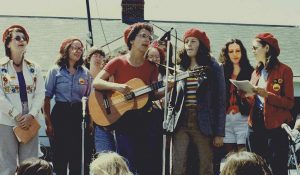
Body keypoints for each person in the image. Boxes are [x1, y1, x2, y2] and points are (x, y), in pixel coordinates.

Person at [93, 22, 171, 175]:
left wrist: (169, 87)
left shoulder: (152, 67)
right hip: (123, 119)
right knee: (126, 162)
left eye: (149, 37)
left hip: (144, 119)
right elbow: (97, 82)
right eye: (143, 36)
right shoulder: (118, 61)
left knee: (145, 164)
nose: (147, 40)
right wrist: (118, 87)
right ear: (131, 40)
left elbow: (153, 94)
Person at [164, 28, 226, 175]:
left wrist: (219, 133)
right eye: (186, 42)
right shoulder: (180, 67)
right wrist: (169, 121)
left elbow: (221, 101)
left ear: (201, 44)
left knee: (206, 165)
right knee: (178, 164)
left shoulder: (214, 67)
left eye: (193, 41)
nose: (189, 45)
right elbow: (173, 99)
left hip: (204, 122)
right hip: (180, 121)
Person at [246, 33, 294, 175]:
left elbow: (289, 103)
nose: (253, 51)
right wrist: (245, 94)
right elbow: (253, 100)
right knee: (254, 167)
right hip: (254, 125)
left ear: (266, 48)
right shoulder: (256, 72)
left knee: (277, 168)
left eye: (255, 48)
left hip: (276, 128)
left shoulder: (285, 70)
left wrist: (267, 95)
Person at [0, 25, 45, 175]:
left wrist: (31, 114)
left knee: (30, 163)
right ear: (8, 43)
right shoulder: (0, 68)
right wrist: (16, 115)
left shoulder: (34, 67)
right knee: (7, 164)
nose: (22, 40)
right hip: (6, 119)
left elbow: (40, 93)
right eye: (17, 37)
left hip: (30, 119)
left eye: (24, 38)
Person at [44, 37, 91, 175]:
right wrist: (48, 123)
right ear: (66, 50)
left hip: (78, 115)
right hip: (60, 114)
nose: (78, 50)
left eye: (81, 48)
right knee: (60, 157)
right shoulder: (55, 70)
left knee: (77, 157)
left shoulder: (85, 73)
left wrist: (91, 121)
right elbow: (46, 98)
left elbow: (89, 98)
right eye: (74, 47)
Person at [220, 39, 254, 152]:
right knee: (230, 157)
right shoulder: (222, 71)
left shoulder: (251, 71)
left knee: (244, 155)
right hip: (226, 119)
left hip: (243, 118)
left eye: (238, 50)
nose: (235, 54)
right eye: (231, 51)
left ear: (242, 52)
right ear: (226, 53)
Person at [84, 46, 116, 153]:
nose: (98, 58)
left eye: (101, 56)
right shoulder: (83, 76)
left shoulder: (106, 78)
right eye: (95, 56)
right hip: (86, 119)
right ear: (89, 59)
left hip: (103, 120)